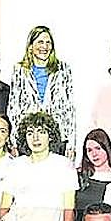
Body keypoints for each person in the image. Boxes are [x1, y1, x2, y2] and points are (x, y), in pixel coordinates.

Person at [0, 112, 76, 221]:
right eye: (30, 132)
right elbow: (4, 210)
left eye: (41, 132)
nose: (35, 138)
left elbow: (68, 212)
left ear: (51, 136)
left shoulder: (64, 165)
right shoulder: (15, 165)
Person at [8, 26, 75, 158]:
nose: (44, 46)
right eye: (40, 42)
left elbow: (69, 108)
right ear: (31, 46)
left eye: (48, 42)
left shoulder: (63, 69)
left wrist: (71, 144)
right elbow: (14, 107)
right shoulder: (20, 70)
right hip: (29, 138)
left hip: (56, 137)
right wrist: (13, 142)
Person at [71, 128, 111, 221]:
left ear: (107, 148)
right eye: (89, 150)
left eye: (98, 148)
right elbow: (71, 214)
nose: (94, 154)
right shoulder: (79, 177)